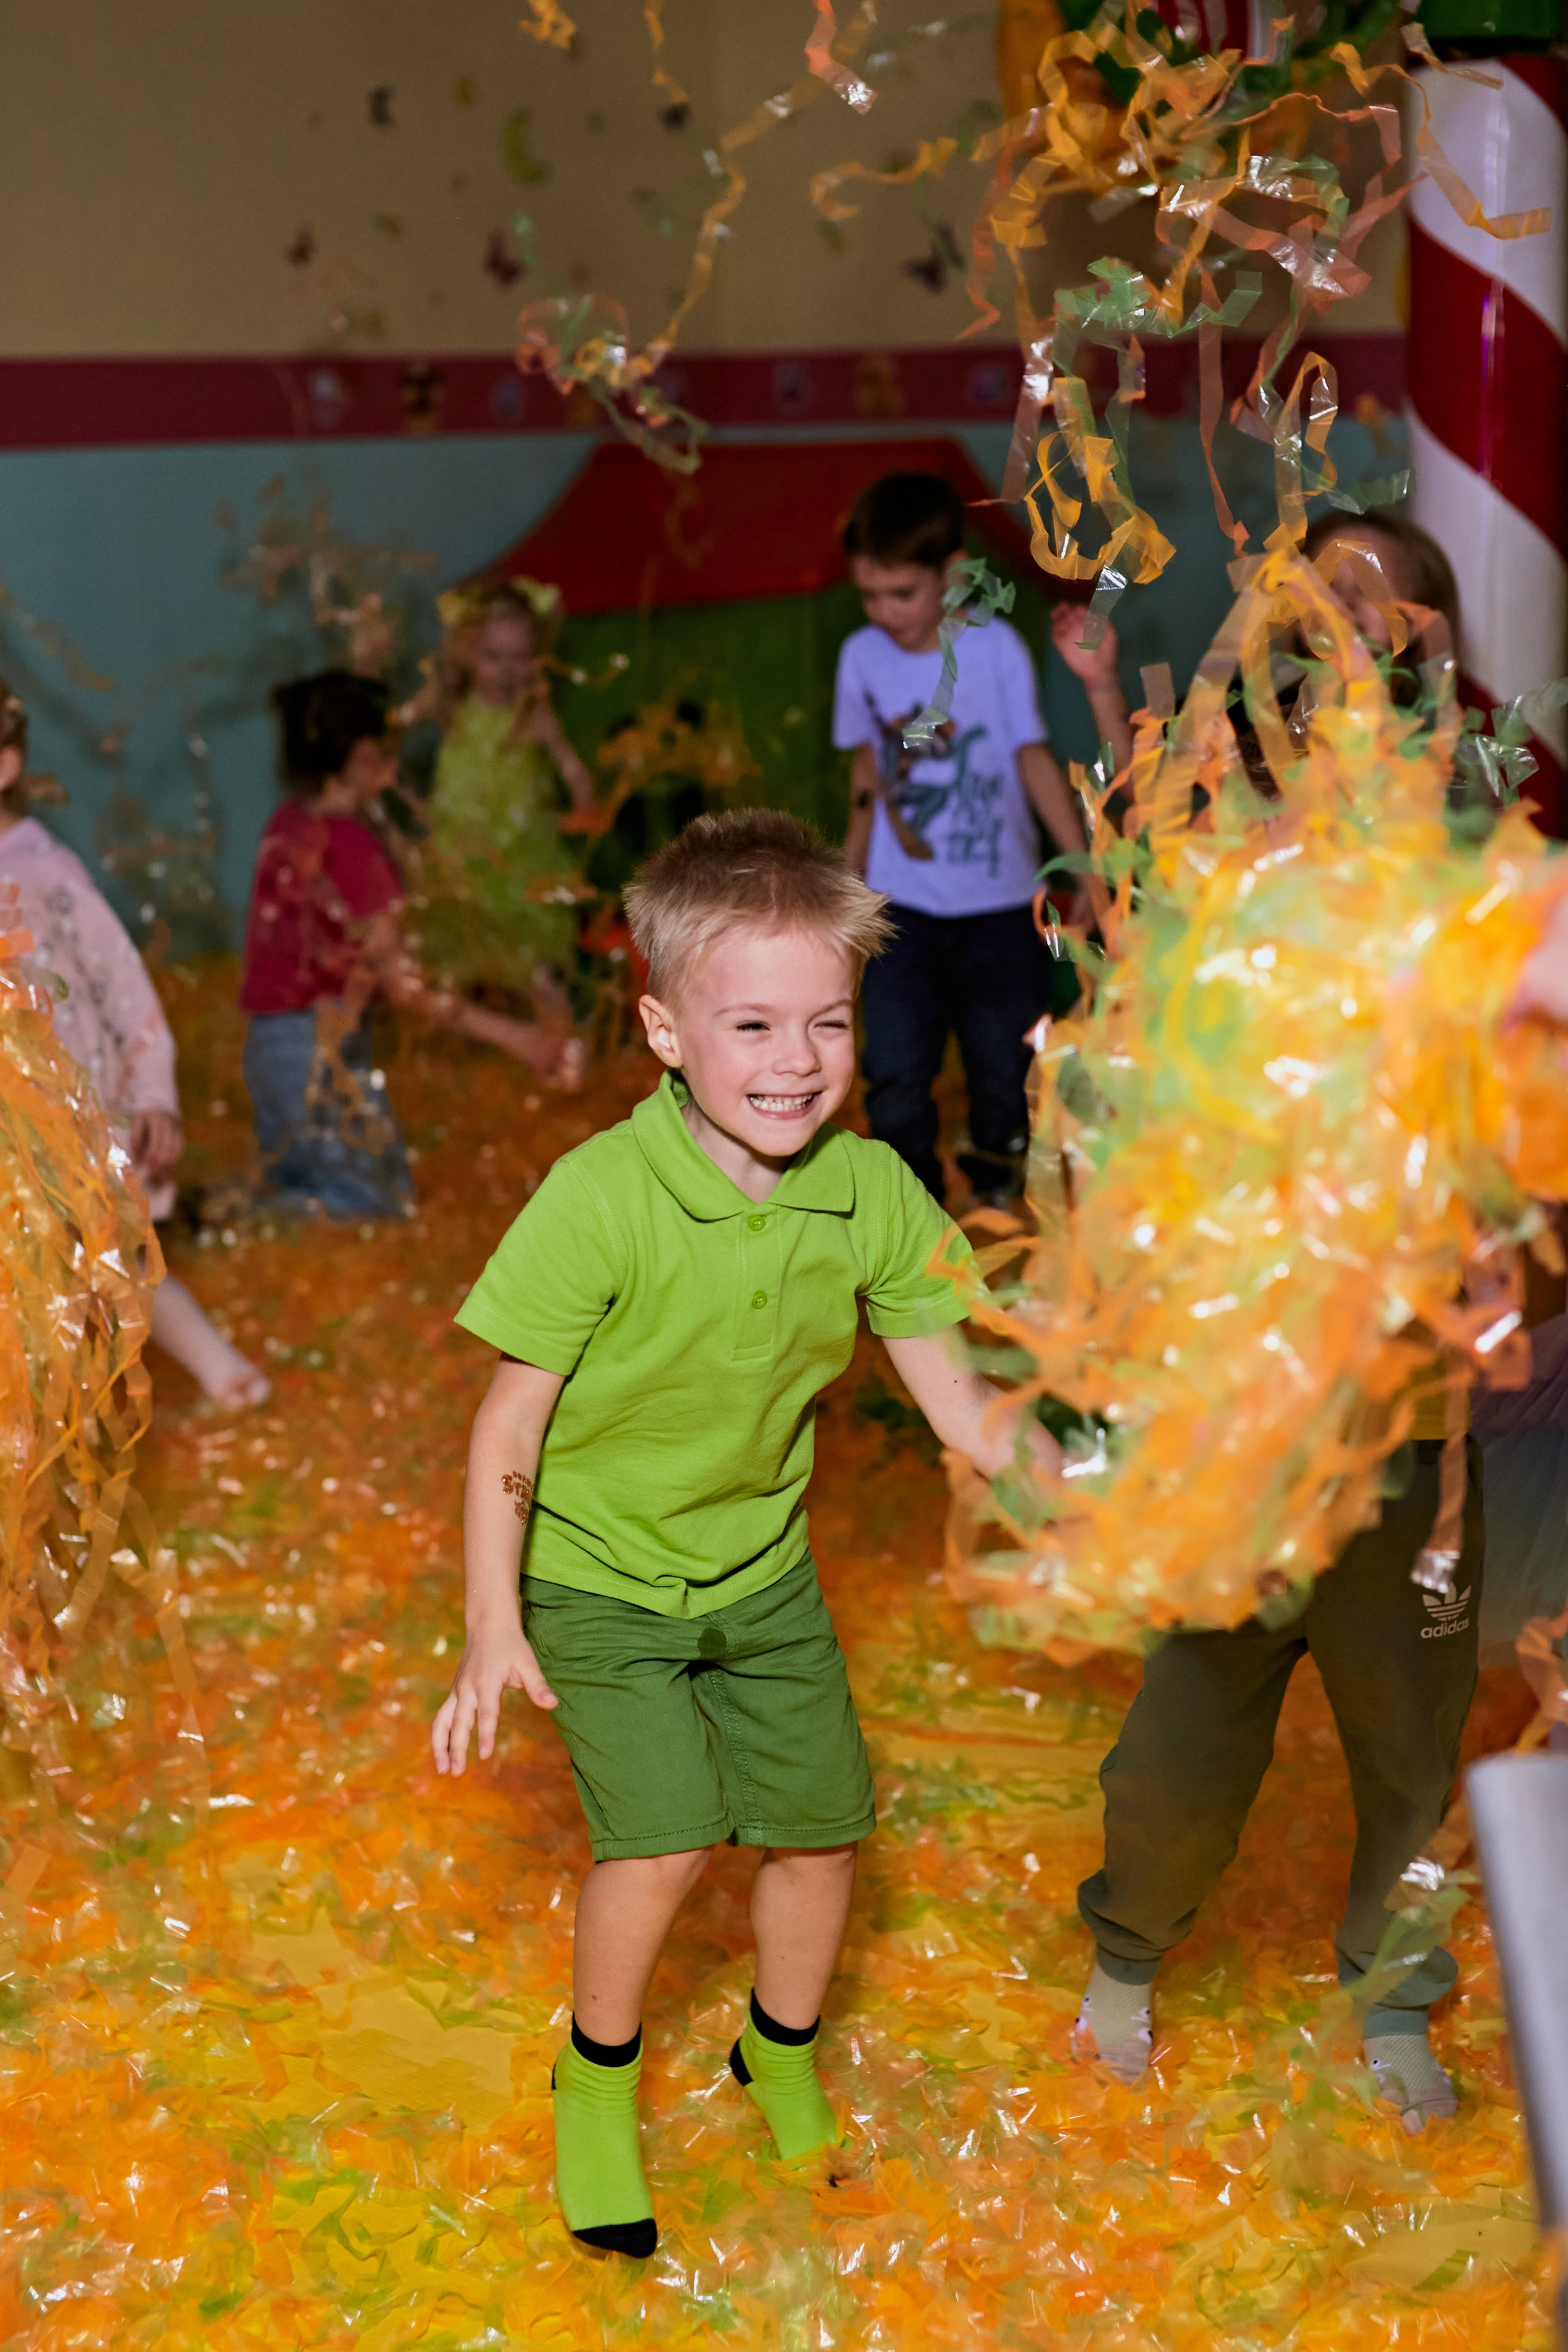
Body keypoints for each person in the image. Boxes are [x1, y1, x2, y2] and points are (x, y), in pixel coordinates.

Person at [430, 809, 1064, 2258]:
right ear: (664, 1031)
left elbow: (964, 1409)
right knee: (662, 1843)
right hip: (596, 1575)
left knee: (821, 1830)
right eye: (753, 1025)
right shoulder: (599, 1197)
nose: (796, 1060)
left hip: (761, 1572)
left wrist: (1081, 1496)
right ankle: (596, 2082)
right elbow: (508, 1425)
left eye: (827, 1022)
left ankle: (775, 2051)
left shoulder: (869, 1191)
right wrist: (492, 1619)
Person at [1072, 510, 1483, 2136]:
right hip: (1247, 1401)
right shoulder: (1222, 851)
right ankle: (1126, 1954)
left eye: (1395, 621)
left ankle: (1395, 1996)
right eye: (1328, 616)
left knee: (1411, 1741)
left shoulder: (1485, 858)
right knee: (1187, 1727)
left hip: (1414, 1401)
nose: (1359, 644)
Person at [834, 471, 1133, 1209]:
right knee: (894, 1068)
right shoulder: (861, 657)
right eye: (868, 595)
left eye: (901, 593)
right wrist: (844, 884)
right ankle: (910, 1204)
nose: (884, 612)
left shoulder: (993, 649)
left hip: (1001, 906)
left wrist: (1081, 868)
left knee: (1004, 1064)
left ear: (951, 572)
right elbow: (866, 776)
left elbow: (1031, 759)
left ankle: (997, 1191)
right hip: (900, 908)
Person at [0, 684, 267, 1408]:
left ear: (4, 766)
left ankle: (217, 1366)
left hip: (65, 1120)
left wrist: (152, 1091)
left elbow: (122, 984)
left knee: (108, 1257)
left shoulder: (43, 872)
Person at [238, 669, 565, 1223]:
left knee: (303, 1177)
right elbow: (405, 986)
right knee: (375, 1205)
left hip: (268, 1048)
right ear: (364, 757)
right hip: (318, 1055)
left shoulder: (288, 822)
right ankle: (235, 1221)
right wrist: (520, 1039)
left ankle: (246, 1213)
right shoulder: (356, 851)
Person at [413, 578, 594, 1082]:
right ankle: (451, 1063)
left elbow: (569, 763)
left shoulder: (531, 713)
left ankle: (567, 1050)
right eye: (493, 657)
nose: (506, 671)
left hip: (519, 863)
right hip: (460, 857)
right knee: (453, 962)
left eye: (518, 658)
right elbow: (393, 724)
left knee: (532, 966)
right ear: (467, 654)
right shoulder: (453, 708)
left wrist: (584, 800)